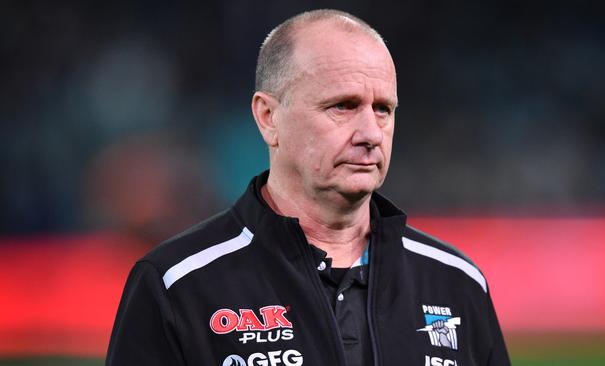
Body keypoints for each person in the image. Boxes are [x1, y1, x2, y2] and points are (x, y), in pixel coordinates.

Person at [106, 9, 510, 366]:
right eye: (343, 106)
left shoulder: (457, 283)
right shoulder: (176, 285)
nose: (371, 132)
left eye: (383, 109)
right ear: (268, 117)